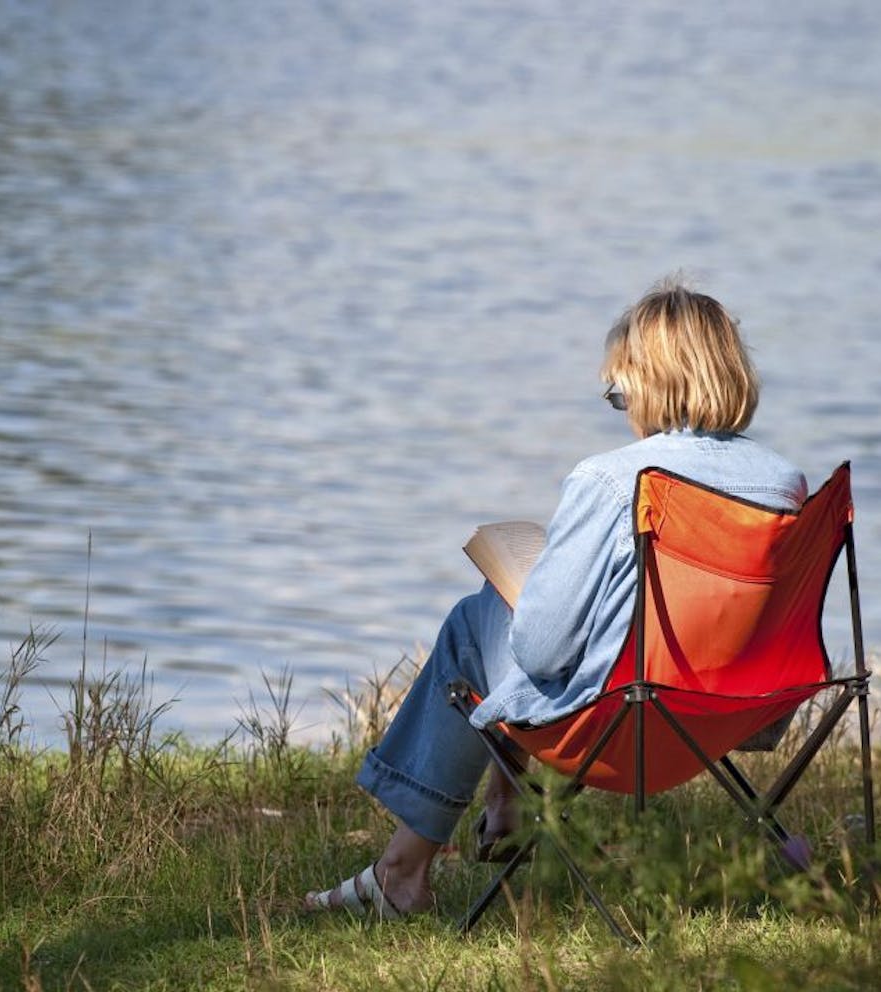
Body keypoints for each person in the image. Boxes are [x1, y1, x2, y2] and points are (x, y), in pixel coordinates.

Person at [304, 276, 809, 918]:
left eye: (618, 387)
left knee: (480, 619)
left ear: (649, 382)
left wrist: (526, 593)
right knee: (536, 616)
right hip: (731, 714)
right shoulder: (783, 485)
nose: (621, 403)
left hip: (619, 724)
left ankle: (405, 869)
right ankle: (502, 805)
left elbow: (543, 650)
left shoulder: (611, 479)